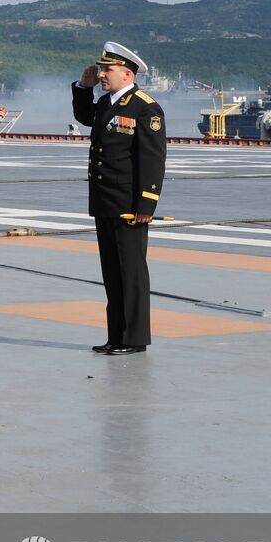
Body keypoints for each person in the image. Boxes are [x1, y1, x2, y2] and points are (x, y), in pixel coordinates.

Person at [71, 41, 167, 355]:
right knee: (112, 273)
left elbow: (152, 159)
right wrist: (82, 88)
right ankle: (117, 335)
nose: (101, 74)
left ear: (127, 73)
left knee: (131, 273)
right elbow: (86, 117)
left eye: (107, 70)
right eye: (101, 69)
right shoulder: (105, 103)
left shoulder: (145, 107)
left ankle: (134, 337)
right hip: (105, 201)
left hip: (128, 205)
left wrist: (146, 204)